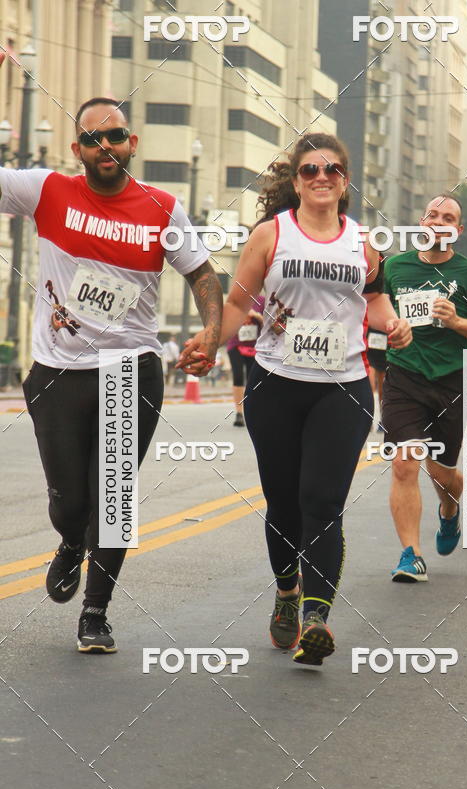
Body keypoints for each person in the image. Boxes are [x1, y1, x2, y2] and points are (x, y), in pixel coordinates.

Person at [0, 85, 222, 652]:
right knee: (70, 500)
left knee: (115, 496)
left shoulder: (163, 208)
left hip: (131, 366)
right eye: (94, 138)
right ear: (77, 148)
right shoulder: (46, 191)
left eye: (116, 135)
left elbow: (201, 273)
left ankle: (95, 613)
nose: (107, 145)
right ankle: (71, 541)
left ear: (133, 143)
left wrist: (212, 330)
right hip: (56, 371)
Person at [180, 132, 412, 666]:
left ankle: (315, 619)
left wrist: (393, 326)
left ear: (345, 179)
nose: (322, 177)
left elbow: (375, 303)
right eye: (310, 169)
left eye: (332, 168)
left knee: (323, 503)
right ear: (298, 180)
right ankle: (287, 592)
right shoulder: (271, 234)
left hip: (343, 388)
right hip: (276, 385)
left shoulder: (364, 243)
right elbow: (238, 302)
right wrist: (211, 340)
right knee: (284, 504)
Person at [382, 194, 467, 582]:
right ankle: (410, 555)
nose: (438, 221)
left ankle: (449, 511)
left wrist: (457, 323)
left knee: (442, 472)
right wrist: (390, 327)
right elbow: (374, 308)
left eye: (447, 218)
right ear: (421, 222)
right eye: (432, 214)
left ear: (458, 231)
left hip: (452, 381)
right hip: (404, 377)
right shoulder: (395, 267)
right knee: (405, 462)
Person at [226, 294, 264, 426]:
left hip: (254, 347)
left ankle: (251, 412)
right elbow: (227, 318)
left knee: (251, 380)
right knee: (238, 376)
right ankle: (238, 413)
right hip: (235, 344)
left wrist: (256, 316)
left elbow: (270, 324)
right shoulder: (236, 297)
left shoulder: (262, 301)